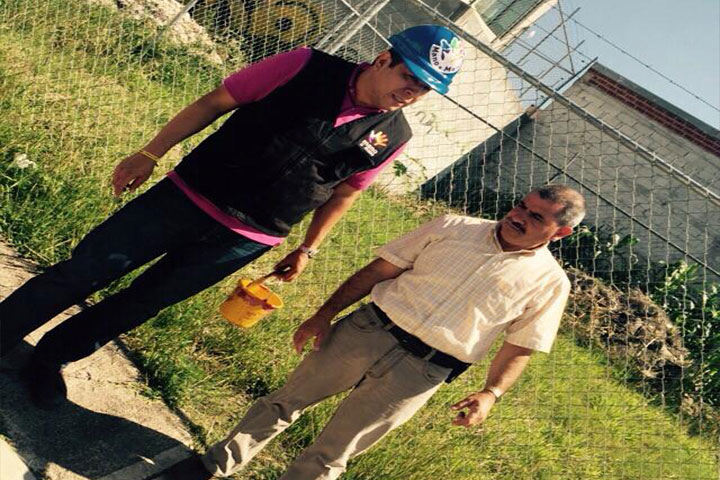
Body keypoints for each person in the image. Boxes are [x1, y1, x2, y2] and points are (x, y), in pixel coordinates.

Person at [0, 25, 466, 408]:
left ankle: (51, 358)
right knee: (84, 271)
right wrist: (150, 153)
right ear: (383, 59)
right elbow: (214, 102)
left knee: (140, 304)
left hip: (246, 238)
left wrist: (308, 248)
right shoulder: (306, 65)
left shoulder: (394, 135)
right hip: (185, 197)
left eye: (425, 88)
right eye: (410, 77)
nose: (413, 92)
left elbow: (344, 194)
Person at [154, 184, 586, 480]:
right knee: (284, 402)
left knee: (333, 453)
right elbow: (379, 270)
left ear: (562, 232)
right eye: (520, 205)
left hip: (422, 372)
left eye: (535, 216)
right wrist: (324, 314)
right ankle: (209, 467)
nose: (517, 216)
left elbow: (521, 346)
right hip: (367, 331)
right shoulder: (452, 227)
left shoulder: (550, 283)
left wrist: (491, 393)